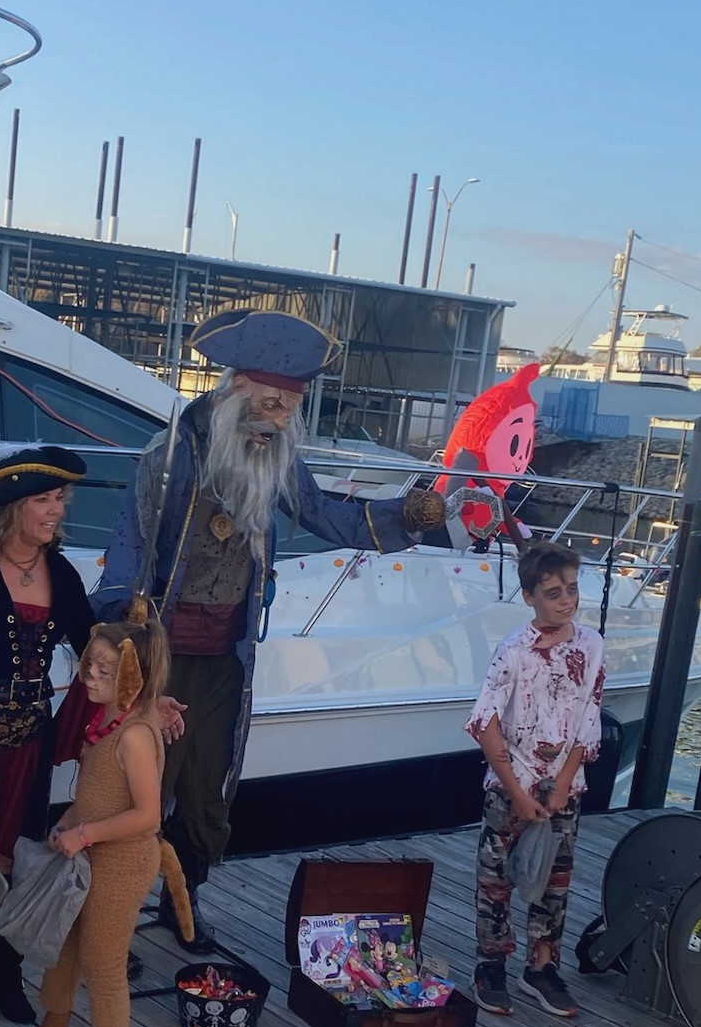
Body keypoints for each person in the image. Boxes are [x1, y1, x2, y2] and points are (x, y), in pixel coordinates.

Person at [93, 308, 455, 949]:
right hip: (163, 654)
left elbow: (326, 516)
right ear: (235, 390)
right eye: (271, 405)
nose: (281, 420)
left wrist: (409, 515)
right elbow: (133, 543)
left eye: (289, 408)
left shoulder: (276, 457)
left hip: (228, 659)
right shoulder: (172, 454)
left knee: (208, 790)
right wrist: (117, 632)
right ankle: (112, 923)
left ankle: (184, 905)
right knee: (141, 785)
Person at [20, 611, 190, 1027]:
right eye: (89, 667)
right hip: (88, 851)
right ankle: (55, 1019)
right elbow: (98, 793)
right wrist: (70, 819)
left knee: (103, 961)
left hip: (122, 861)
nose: (89, 677)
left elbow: (147, 816)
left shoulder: (135, 735)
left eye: (104, 671)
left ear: (133, 678)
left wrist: (86, 832)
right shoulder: (109, 718)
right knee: (65, 942)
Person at [0, 444, 96, 1024]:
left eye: (59, 500)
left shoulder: (62, 573)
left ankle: (1, 978)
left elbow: (94, 646)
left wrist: (146, 686)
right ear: (10, 507)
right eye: (43, 500)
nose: (55, 511)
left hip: (30, 743)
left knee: (18, 859)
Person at [465, 540, 604, 1020]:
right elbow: (485, 722)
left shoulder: (591, 645)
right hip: (514, 781)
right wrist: (518, 791)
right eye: (552, 593)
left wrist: (565, 782)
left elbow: (589, 715)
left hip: (564, 782)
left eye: (570, 590)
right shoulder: (513, 653)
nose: (565, 601)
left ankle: (541, 966)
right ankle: (492, 963)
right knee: (497, 875)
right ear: (529, 597)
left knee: (555, 878)